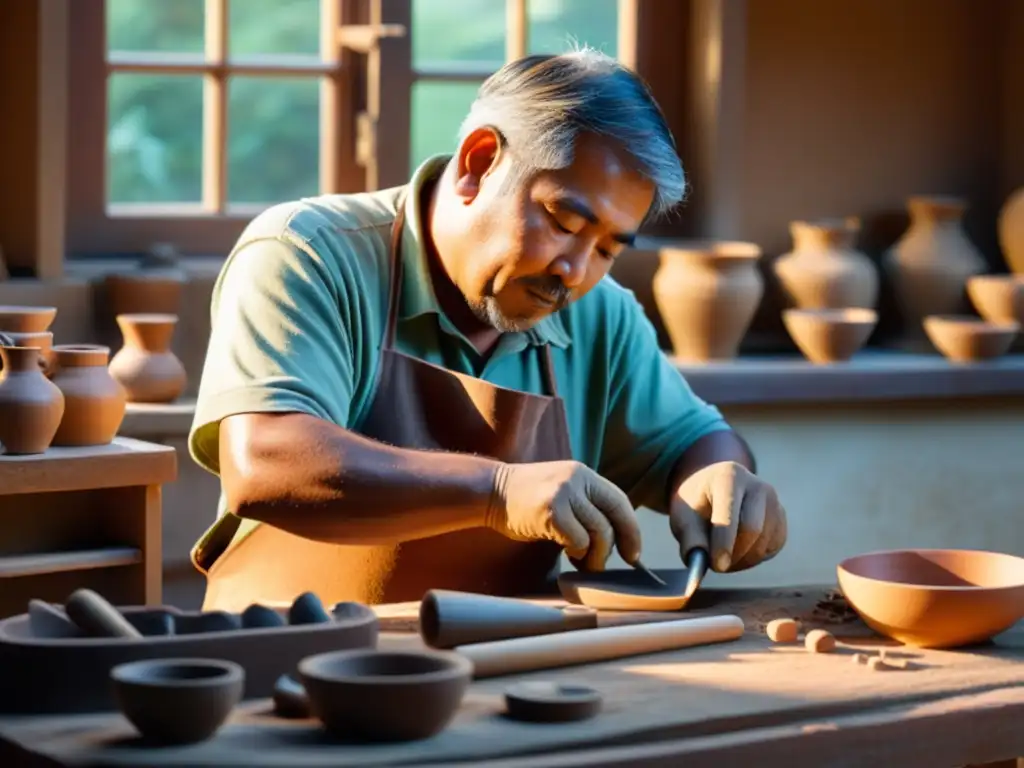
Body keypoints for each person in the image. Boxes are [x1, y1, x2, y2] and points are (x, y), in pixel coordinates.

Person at [187, 49, 787, 612]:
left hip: (504, 666)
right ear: (478, 163)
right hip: (286, 661)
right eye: (563, 220)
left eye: (607, 248)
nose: (573, 271)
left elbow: (695, 441)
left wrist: (720, 477)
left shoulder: (601, 314)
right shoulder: (309, 253)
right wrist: (496, 491)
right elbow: (264, 461)